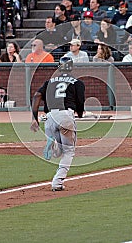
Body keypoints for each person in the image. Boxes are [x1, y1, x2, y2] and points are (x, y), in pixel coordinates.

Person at [30, 56, 85, 191]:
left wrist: (34, 118)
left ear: (59, 68)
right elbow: (80, 101)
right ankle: (57, 182)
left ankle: (53, 144)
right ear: (71, 68)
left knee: (58, 152)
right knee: (69, 152)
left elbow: (37, 95)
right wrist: (80, 114)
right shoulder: (77, 83)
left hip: (49, 118)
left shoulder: (49, 82)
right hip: (65, 116)